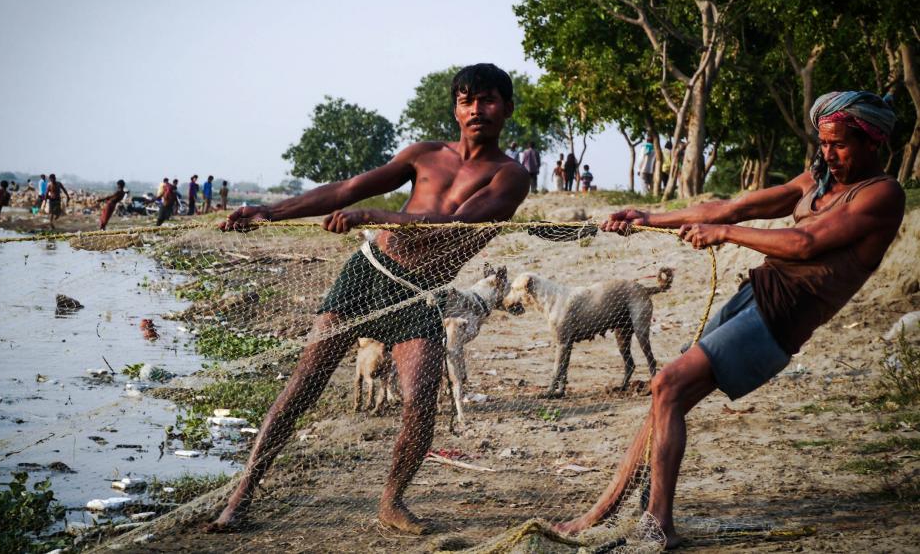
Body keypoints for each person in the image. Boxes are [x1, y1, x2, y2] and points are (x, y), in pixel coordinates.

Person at [556, 91, 903, 548]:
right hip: (755, 295)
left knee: (668, 387)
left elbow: (802, 244)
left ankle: (658, 525)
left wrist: (724, 235)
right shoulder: (814, 183)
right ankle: (603, 511)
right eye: (823, 143)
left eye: (839, 144)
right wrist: (650, 216)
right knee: (666, 395)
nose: (828, 154)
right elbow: (732, 207)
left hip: (782, 318)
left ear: (872, 141)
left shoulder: (882, 194)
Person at [209, 63, 531, 535]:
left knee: (421, 400)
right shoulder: (425, 154)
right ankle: (240, 498)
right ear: (456, 109)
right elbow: (347, 189)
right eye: (467, 101)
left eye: (487, 100)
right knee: (303, 386)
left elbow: (457, 224)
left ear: (506, 108)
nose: (476, 110)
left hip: (419, 295)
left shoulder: (511, 176)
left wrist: (378, 214)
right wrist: (268, 211)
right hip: (369, 274)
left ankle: (391, 501)